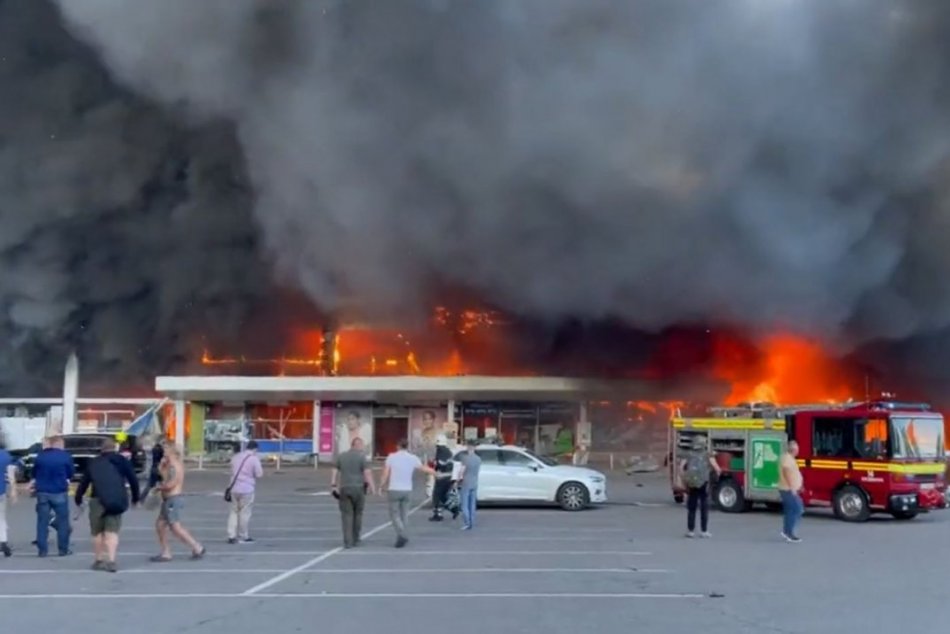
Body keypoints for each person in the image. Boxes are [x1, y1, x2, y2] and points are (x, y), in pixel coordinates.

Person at [74, 438, 140, 572]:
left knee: (97, 532)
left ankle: (98, 560)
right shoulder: (122, 461)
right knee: (112, 531)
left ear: (101, 449)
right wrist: (135, 498)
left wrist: (78, 499)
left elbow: (84, 483)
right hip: (116, 499)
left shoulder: (94, 463)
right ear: (115, 448)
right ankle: (111, 560)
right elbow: (133, 480)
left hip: (97, 500)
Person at [151, 443, 205, 562]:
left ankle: (197, 547)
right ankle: (166, 552)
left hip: (173, 499)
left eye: (166, 449)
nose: (163, 451)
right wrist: (161, 467)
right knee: (160, 525)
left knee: (175, 527)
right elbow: (164, 478)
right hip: (167, 500)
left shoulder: (175, 466)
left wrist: (159, 487)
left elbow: (172, 483)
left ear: (172, 451)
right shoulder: (169, 465)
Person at [380, 439, 436, 548]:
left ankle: (401, 533)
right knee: (404, 514)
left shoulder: (391, 457)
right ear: (407, 446)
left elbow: (385, 473)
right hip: (407, 489)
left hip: (394, 489)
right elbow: (423, 468)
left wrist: (381, 485)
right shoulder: (413, 458)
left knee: (394, 514)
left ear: (398, 446)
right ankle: (403, 535)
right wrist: (435, 473)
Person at [31, 435, 74, 557]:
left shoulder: (41, 456)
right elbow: (70, 473)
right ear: (59, 444)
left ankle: (42, 550)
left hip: (43, 491)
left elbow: (34, 472)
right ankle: (63, 549)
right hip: (59, 491)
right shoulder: (65, 456)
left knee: (42, 522)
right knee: (63, 521)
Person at [331, 437, 376, 549]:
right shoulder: (362, 457)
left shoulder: (341, 456)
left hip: (345, 488)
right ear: (357, 445)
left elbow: (334, 471)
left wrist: (333, 485)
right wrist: (372, 487)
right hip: (358, 488)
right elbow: (367, 473)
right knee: (358, 514)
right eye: (361, 445)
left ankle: (348, 541)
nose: (362, 447)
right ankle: (356, 538)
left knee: (347, 515)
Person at [680, 436, 721, 538]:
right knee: (704, 507)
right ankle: (704, 531)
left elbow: (681, 468)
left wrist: (684, 479)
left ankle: (690, 531)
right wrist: (716, 475)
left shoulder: (688, 454)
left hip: (692, 483)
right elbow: (716, 468)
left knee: (692, 507)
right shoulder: (707, 454)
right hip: (704, 483)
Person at [227, 440, 263, 544]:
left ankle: (231, 535)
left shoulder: (236, 457)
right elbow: (259, 474)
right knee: (244, 513)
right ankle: (243, 535)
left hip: (234, 488)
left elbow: (231, 470)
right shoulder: (254, 459)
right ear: (255, 449)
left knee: (234, 511)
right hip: (247, 489)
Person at [779, 440, 804, 543]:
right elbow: (786, 472)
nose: (798, 451)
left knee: (790, 511)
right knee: (797, 509)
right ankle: (789, 533)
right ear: (793, 450)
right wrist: (792, 487)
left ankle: (786, 531)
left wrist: (799, 485)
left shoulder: (789, 458)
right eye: (797, 449)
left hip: (788, 489)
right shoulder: (787, 459)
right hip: (788, 489)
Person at [457, 439, 482, 531]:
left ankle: (467, 523)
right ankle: (472, 522)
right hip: (474, 483)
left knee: (464, 504)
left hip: (466, 483)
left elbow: (462, 471)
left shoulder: (465, 458)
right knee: (472, 504)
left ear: (468, 447)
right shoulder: (478, 459)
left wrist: (457, 480)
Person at [0, 435, 19, 557]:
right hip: (0, 491)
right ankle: (3, 541)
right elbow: (11, 475)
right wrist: (13, 490)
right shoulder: (5, 455)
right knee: (1, 518)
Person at [429, 435, 455, 522]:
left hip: (441, 476)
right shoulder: (449, 451)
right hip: (449, 476)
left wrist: (434, 465)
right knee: (443, 496)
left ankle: (437, 514)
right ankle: (449, 509)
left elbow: (439, 463)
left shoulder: (440, 451)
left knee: (437, 496)